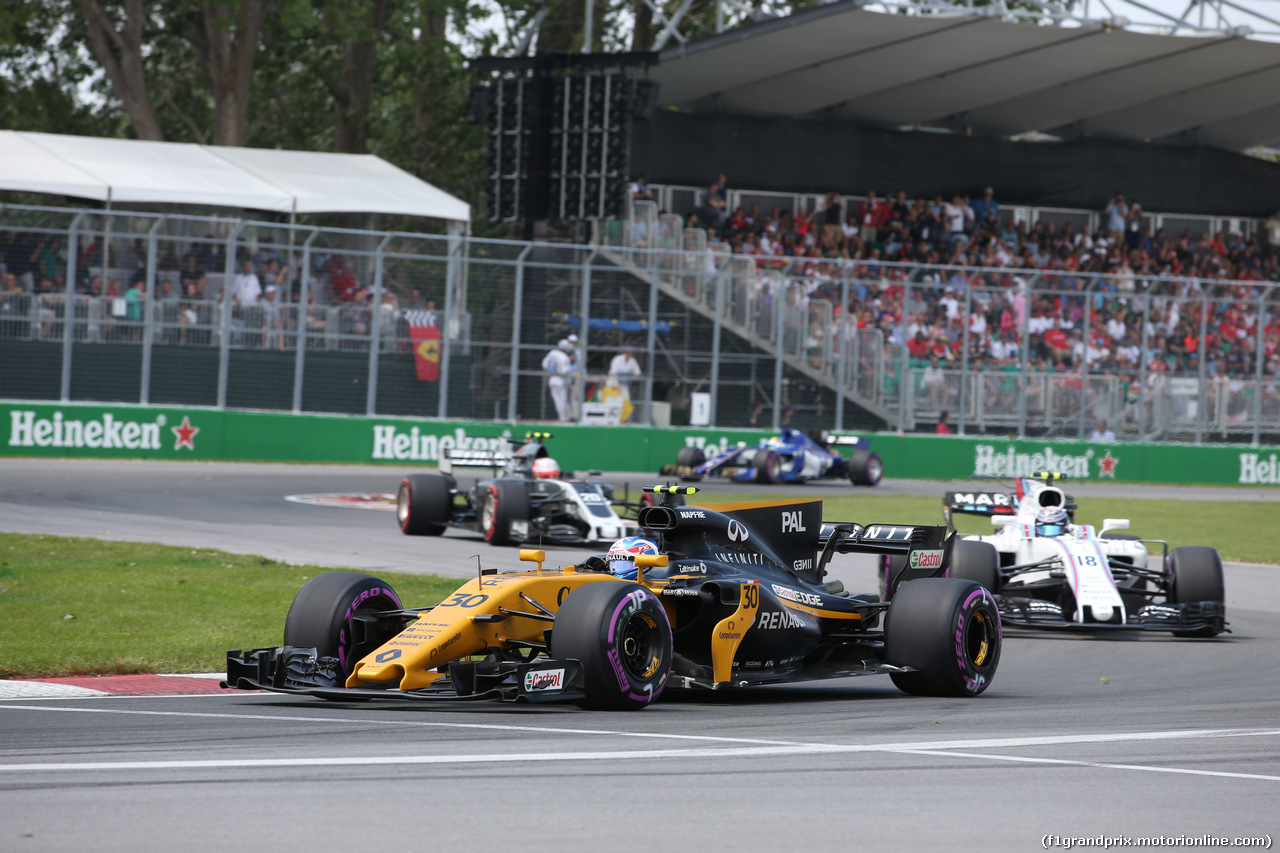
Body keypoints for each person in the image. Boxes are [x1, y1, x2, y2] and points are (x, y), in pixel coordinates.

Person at [542, 338, 576, 422]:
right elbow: (564, 371)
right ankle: (563, 418)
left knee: (558, 400)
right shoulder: (564, 357)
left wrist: (552, 370)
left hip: (552, 378)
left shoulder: (552, 353)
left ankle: (566, 417)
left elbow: (544, 364)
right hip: (560, 380)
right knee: (562, 400)